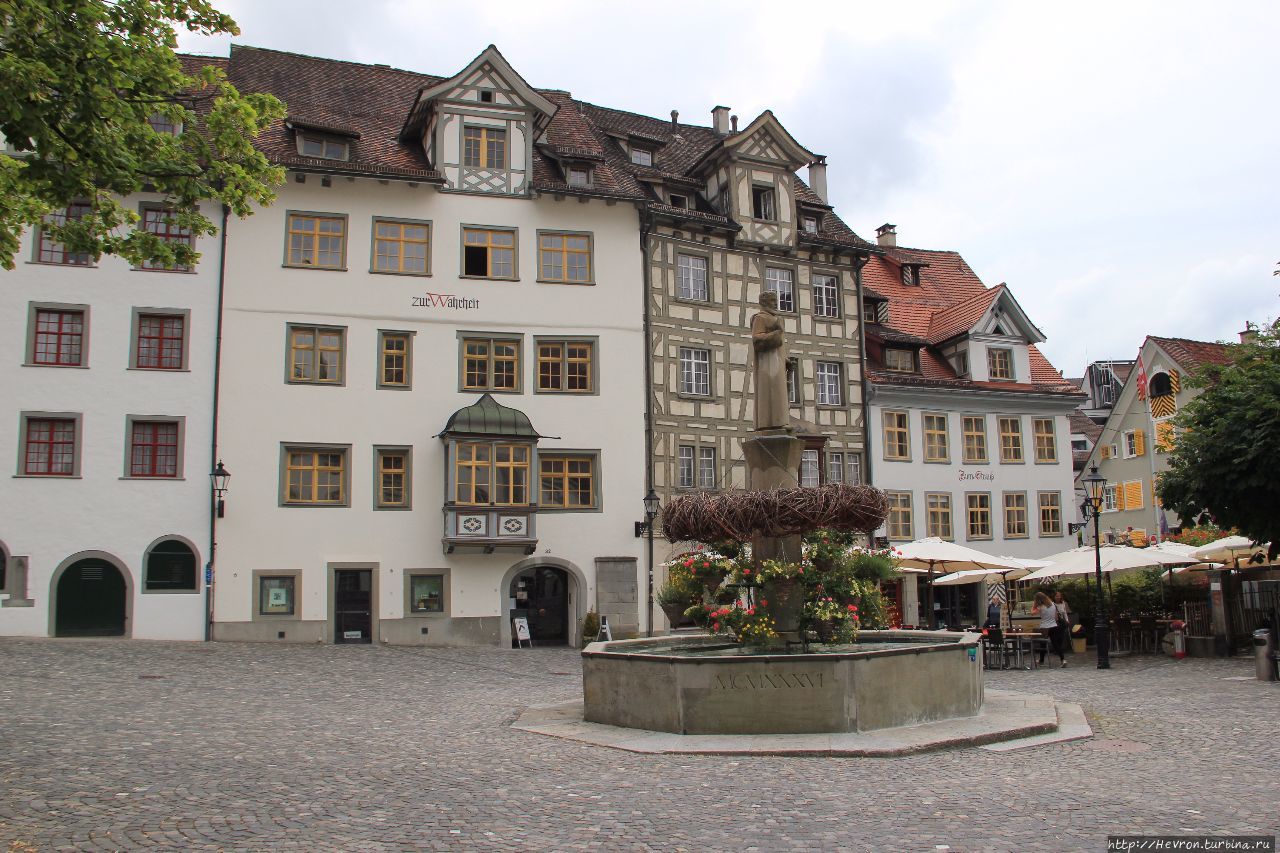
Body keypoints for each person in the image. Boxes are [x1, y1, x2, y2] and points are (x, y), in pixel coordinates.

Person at [1032, 591, 1066, 667]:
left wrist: (1034, 605)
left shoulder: (1041, 607)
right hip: (1054, 625)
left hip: (1044, 627)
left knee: (1043, 644)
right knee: (1056, 644)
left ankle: (1041, 661)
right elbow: (1056, 617)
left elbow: (1032, 612)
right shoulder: (1053, 604)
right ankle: (1063, 659)